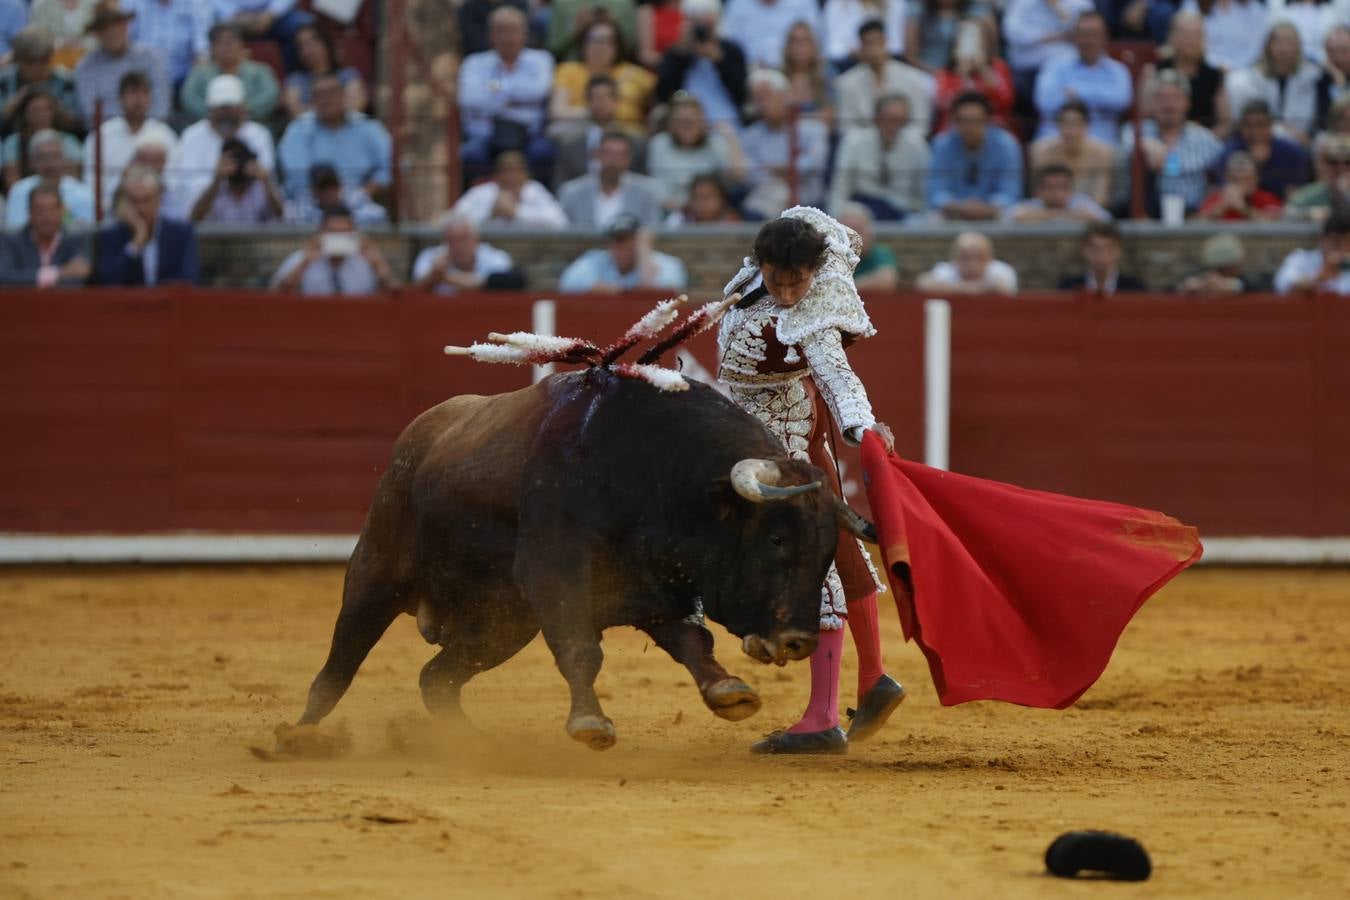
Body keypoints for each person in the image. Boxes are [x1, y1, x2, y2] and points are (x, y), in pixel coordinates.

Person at [715, 206, 901, 754]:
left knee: (810, 557)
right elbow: (827, 226)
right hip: (762, 422)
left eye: (800, 280)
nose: (790, 292)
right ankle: (873, 678)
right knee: (835, 545)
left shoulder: (817, 316)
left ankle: (822, 715)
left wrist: (863, 431)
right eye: (778, 279)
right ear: (761, 263)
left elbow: (839, 378)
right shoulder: (760, 272)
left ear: (814, 273)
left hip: (782, 435)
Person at [457, 6, 555, 183]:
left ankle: (537, 202)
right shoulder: (474, 62)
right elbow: (469, 98)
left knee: (544, 152)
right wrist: (517, 99)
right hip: (485, 134)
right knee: (469, 154)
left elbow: (539, 90)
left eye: (512, 31)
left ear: (525, 34)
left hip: (528, 134)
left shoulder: (541, 59)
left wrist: (494, 91)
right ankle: (477, 203)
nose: (507, 37)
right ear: (490, 35)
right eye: (500, 31)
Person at [166, 74, 276, 220]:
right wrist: (217, 179)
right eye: (220, 110)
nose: (226, 116)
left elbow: (266, 188)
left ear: (243, 108)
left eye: (231, 109)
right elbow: (183, 191)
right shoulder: (191, 137)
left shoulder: (259, 135)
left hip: (252, 221)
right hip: (203, 224)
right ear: (209, 110)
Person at [1116, 70, 1224, 218]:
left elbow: (1224, 171)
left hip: (1191, 216)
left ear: (1187, 103)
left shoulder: (1204, 139)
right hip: (1145, 214)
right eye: (1161, 98)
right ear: (1153, 103)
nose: (1168, 104)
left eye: (1174, 97)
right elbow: (1126, 147)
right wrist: (1146, 145)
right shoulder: (1135, 130)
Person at [277, 71, 392, 203]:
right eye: (319, 95)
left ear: (343, 96)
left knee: (374, 216)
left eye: (331, 93)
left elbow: (387, 167)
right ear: (312, 101)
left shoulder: (369, 128)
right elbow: (296, 174)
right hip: (310, 200)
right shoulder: (298, 129)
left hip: (359, 200)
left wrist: (365, 193)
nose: (326, 100)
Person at [740, 68, 829, 218]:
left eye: (767, 97)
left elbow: (815, 163)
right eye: (757, 98)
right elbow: (749, 174)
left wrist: (783, 169)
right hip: (765, 199)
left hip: (808, 200)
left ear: (784, 96)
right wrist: (784, 171)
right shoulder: (750, 135)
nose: (762, 104)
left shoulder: (813, 129)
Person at [1034, 11, 1133, 145]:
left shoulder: (1117, 71)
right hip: (1057, 138)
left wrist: (1076, 93)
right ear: (1075, 37)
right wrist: (1101, 101)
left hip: (1101, 142)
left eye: (1093, 34)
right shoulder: (1054, 66)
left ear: (1105, 37)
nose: (1088, 41)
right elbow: (1045, 102)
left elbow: (1121, 100)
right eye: (1083, 35)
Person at [83, 70, 177, 210]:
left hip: (157, 211)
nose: (138, 99)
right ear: (120, 98)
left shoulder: (166, 136)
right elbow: (90, 184)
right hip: (112, 212)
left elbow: (176, 184)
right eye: (133, 92)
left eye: (144, 93)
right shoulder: (100, 136)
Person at [829, 93, 931, 221]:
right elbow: (840, 189)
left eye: (901, 121)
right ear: (876, 119)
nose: (895, 126)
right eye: (890, 119)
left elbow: (924, 193)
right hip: (863, 209)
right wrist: (834, 222)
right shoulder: (853, 142)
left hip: (903, 212)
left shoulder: (917, 146)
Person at [549, 16, 654, 138]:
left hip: (627, 133)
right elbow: (557, 110)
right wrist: (597, 111)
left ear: (617, 46)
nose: (599, 47)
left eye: (607, 41)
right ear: (583, 43)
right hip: (581, 131)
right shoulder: (568, 70)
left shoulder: (634, 73)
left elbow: (656, 102)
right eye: (593, 40)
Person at [927, 91, 1023, 221]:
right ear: (954, 122)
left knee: (1014, 216)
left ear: (988, 121)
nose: (970, 127)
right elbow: (936, 192)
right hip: (954, 213)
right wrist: (958, 206)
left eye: (976, 121)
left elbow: (1010, 193)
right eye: (964, 121)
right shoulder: (942, 144)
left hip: (993, 213)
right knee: (931, 219)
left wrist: (988, 207)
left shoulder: (1007, 145)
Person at [93, 165, 198, 285]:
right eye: (134, 201)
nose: (141, 208)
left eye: (147, 200)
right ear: (125, 203)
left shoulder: (181, 233)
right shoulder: (111, 235)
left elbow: (189, 279)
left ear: (159, 200)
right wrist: (135, 244)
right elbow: (108, 281)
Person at [73, 2, 170, 125]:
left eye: (117, 23)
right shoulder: (85, 68)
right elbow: (90, 114)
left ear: (126, 25)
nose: (112, 31)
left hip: (150, 132)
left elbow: (161, 106)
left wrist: (141, 129)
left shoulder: (151, 58)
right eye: (104, 27)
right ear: (96, 33)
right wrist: (124, 128)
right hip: (108, 135)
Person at [834, 19, 935, 138]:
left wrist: (895, 140)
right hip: (863, 145)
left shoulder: (914, 79)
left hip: (904, 142)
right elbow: (846, 127)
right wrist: (873, 141)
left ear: (886, 42)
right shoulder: (847, 83)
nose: (874, 50)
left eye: (878, 42)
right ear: (861, 47)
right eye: (868, 44)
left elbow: (921, 124)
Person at [1224, 21, 1320, 145]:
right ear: (1268, 46)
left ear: (1299, 47)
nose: (1284, 48)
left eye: (1289, 42)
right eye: (1279, 42)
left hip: (1301, 144)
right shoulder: (1250, 79)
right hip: (1258, 141)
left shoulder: (1312, 77)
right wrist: (1288, 133)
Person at [654, 0, 747, 128]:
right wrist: (683, 53)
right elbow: (663, 91)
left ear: (716, 22)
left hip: (725, 119)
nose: (701, 30)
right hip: (685, 120)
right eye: (696, 23)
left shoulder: (731, 50)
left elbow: (741, 92)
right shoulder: (677, 52)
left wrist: (720, 60)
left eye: (706, 24)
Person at [645, 94, 745, 213]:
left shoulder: (715, 143)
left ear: (703, 122)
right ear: (671, 123)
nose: (686, 126)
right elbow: (658, 191)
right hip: (671, 212)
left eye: (691, 121)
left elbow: (739, 176)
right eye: (680, 121)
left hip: (713, 212)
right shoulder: (660, 143)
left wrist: (730, 138)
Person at [271, 204, 396, 296]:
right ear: (322, 232)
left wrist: (379, 264)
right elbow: (275, 294)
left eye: (344, 233)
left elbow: (396, 296)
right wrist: (303, 263)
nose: (338, 238)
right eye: (333, 232)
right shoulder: (302, 258)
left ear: (354, 232)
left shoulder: (367, 261)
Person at [1141, 11, 1228, 132]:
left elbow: (1225, 123)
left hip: (1202, 144)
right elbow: (1145, 116)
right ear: (1172, 36)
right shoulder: (1154, 72)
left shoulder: (1215, 76)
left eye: (1195, 34)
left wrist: (1205, 142)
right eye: (1184, 34)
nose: (1189, 40)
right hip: (1160, 142)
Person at [552, 74, 643, 188]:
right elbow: (561, 186)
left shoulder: (635, 142)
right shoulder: (569, 142)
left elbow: (641, 183)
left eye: (606, 97)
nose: (601, 102)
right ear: (587, 102)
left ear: (617, 102)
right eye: (595, 97)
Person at [179, 22, 279, 124]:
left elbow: (270, 95)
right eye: (220, 43)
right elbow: (188, 97)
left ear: (241, 44)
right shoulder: (199, 73)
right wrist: (214, 113)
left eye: (230, 42)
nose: (226, 48)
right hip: (209, 125)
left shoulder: (260, 71)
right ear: (212, 48)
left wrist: (242, 111)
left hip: (252, 123)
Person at [558, 212, 687, 292]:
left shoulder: (668, 264)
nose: (623, 246)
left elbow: (665, 289)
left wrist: (644, 251)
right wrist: (620, 290)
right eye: (618, 240)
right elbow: (567, 283)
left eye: (629, 239)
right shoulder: (597, 261)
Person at [557, 131, 663, 228]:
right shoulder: (571, 191)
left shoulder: (646, 192)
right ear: (597, 155)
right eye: (608, 153)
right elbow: (563, 231)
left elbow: (652, 229)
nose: (614, 159)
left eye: (621, 154)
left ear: (629, 158)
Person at [1214, 99, 1313, 201]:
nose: (1255, 132)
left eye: (1261, 125)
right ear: (1241, 127)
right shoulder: (1229, 153)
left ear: (1271, 125)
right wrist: (1256, 164)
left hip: (1281, 211)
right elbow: (1226, 190)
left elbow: (1296, 193)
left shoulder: (1292, 152)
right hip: (1241, 210)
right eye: (1249, 125)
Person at [932, 16, 1013, 133]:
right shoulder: (945, 73)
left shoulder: (999, 67)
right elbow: (943, 104)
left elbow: (1005, 102)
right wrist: (963, 77)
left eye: (977, 39)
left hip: (993, 128)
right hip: (955, 129)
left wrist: (984, 70)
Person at [0, 183, 91, 287]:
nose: (46, 216)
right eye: (40, 210)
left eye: (52, 209)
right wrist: (57, 273)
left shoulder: (77, 238)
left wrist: (31, 278)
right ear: (29, 212)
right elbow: (4, 277)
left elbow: (78, 278)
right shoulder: (11, 240)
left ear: (62, 211)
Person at [449, 149, 568, 228]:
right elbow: (453, 221)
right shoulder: (480, 192)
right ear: (496, 175)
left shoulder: (535, 189)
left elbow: (559, 222)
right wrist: (490, 214)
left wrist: (516, 212)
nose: (511, 177)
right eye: (506, 171)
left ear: (525, 175)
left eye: (517, 171)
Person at [411, 213, 525, 295]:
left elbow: (498, 284)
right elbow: (414, 292)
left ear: (476, 239)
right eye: (451, 240)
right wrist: (432, 275)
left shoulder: (496, 258)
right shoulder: (430, 257)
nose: (457, 246)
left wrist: (445, 278)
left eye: (463, 239)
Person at [1003, 0, 1093, 102]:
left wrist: (1057, 7)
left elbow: (1085, 32)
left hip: (1068, 68)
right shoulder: (1021, 2)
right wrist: (1055, 37)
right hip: (1028, 68)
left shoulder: (1081, 3)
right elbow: (1012, 33)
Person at [1028, 100, 1114, 206]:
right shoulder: (1041, 151)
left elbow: (1100, 200)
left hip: (1087, 216)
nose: (1069, 131)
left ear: (1086, 126)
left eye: (1075, 124)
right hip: (1047, 215)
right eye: (1064, 124)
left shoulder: (1102, 153)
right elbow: (1038, 197)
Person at [0, 26, 81, 135]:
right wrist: (17, 101)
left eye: (43, 60)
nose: (37, 68)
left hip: (58, 141)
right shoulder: (3, 80)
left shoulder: (66, 80)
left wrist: (52, 105)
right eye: (30, 61)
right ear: (18, 60)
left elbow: (77, 125)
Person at [4, 129, 92, 229]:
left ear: (65, 160)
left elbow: (87, 235)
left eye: (55, 156)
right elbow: (15, 232)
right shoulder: (18, 191)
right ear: (32, 162)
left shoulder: (83, 193)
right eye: (42, 157)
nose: (49, 164)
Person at [1, 87, 81, 192]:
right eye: (35, 110)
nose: (41, 115)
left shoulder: (70, 142)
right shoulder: (13, 143)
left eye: (46, 109)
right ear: (25, 114)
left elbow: (73, 180)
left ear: (54, 112)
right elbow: (12, 182)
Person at [282, 23, 368, 121]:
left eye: (311, 43)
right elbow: (295, 112)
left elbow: (355, 107)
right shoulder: (295, 80)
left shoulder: (348, 75)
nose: (307, 50)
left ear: (326, 43)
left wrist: (317, 112)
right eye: (301, 46)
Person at [188, 136, 284, 223]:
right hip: (222, 241)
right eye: (232, 160)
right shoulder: (215, 190)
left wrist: (266, 181)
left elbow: (281, 214)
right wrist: (217, 180)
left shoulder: (260, 188)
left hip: (256, 241)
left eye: (240, 159)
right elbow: (195, 218)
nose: (237, 165)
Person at [122, 0, 210, 88]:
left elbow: (202, 52)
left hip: (183, 81)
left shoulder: (195, 3)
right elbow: (124, 45)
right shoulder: (131, 3)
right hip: (142, 81)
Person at [212, 0, 314, 73]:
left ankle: (294, 79)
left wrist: (272, 13)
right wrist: (233, 14)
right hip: (232, 18)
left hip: (274, 14)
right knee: (211, 30)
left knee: (306, 25)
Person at [721, 0, 820, 69]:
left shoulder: (804, 2)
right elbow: (730, 48)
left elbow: (815, 42)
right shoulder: (737, 4)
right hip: (751, 74)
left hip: (794, 70)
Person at [284, 162, 388, 226]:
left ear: (340, 185)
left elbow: (380, 213)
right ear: (314, 191)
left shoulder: (354, 197)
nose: (329, 192)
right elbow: (288, 217)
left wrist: (346, 221)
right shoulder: (305, 205)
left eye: (333, 186)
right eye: (323, 188)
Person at [1274, 208, 1350, 294]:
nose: (1343, 247)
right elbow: (1284, 284)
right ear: (1323, 239)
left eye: (1348, 242)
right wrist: (1320, 277)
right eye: (1336, 240)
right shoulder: (1301, 259)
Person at [916, 230, 1018, 294]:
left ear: (990, 258)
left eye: (979, 257)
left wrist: (956, 289)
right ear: (954, 258)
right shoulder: (947, 270)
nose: (972, 264)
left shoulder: (1001, 270)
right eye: (965, 257)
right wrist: (971, 288)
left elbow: (1006, 288)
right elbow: (922, 283)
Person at [1180, 0, 1268, 73]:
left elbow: (1255, 46)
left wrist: (1234, 68)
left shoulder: (1253, 7)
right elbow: (1189, 38)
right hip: (1202, 67)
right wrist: (1215, 64)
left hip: (1244, 71)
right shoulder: (1193, 4)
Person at [1057, 221, 1145, 294]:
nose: (1101, 256)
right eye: (1094, 249)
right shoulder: (1068, 287)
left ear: (1119, 251)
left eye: (1109, 249)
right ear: (1084, 250)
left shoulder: (1135, 289)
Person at [1007, 164, 1112, 223]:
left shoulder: (1083, 203)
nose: (1057, 193)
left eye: (1062, 188)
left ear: (1071, 190)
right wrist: (1061, 214)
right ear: (1039, 191)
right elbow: (1009, 217)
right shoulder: (1030, 206)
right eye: (1050, 188)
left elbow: (1106, 220)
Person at [908, 0, 994, 72]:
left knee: (971, 29)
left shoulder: (979, 11)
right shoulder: (919, 11)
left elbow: (992, 53)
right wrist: (939, 74)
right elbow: (911, 56)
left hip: (968, 72)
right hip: (925, 74)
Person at [1197, 150, 1283, 220]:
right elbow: (1195, 226)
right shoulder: (1216, 199)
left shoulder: (1267, 199)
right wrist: (1221, 207)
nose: (1241, 184)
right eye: (1235, 179)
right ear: (1227, 179)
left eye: (1247, 179)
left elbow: (1275, 226)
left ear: (1257, 178)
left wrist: (1243, 208)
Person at [1285, 133, 1350, 222]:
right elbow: (1288, 213)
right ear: (1321, 165)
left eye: (1347, 161)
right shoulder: (1308, 194)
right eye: (1332, 161)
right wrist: (1309, 214)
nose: (1341, 167)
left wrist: (1345, 195)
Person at [781, 20, 833, 128]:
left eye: (805, 41)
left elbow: (828, 119)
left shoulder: (826, 75)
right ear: (787, 47)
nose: (799, 46)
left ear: (814, 46)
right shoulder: (778, 78)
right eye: (794, 41)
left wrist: (793, 118)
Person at [824, 0, 907, 68]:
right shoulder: (836, 4)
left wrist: (875, 52)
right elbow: (833, 49)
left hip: (889, 61)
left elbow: (897, 47)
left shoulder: (895, 3)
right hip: (850, 64)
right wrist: (859, 52)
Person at [837, 201, 900, 291]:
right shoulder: (831, 255)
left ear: (869, 232)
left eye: (857, 229)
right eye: (846, 231)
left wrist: (844, 287)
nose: (851, 237)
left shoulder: (879, 253)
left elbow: (886, 280)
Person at [1174, 232, 1257, 293]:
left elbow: (1256, 285)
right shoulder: (1203, 274)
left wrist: (1234, 285)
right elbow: (1174, 285)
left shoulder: (1246, 279)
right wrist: (1194, 284)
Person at [664, 172, 741, 225]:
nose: (703, 202)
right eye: (697, 197)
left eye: (708, 196)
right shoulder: (679, 219)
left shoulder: (733, 222)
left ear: (722, 199)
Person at [1318, 25, 1350, 129]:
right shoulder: (1321, 80)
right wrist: (1338, 83)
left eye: (1343, 51)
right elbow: (1329, 120)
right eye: (1331, 52)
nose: (1338, 57)